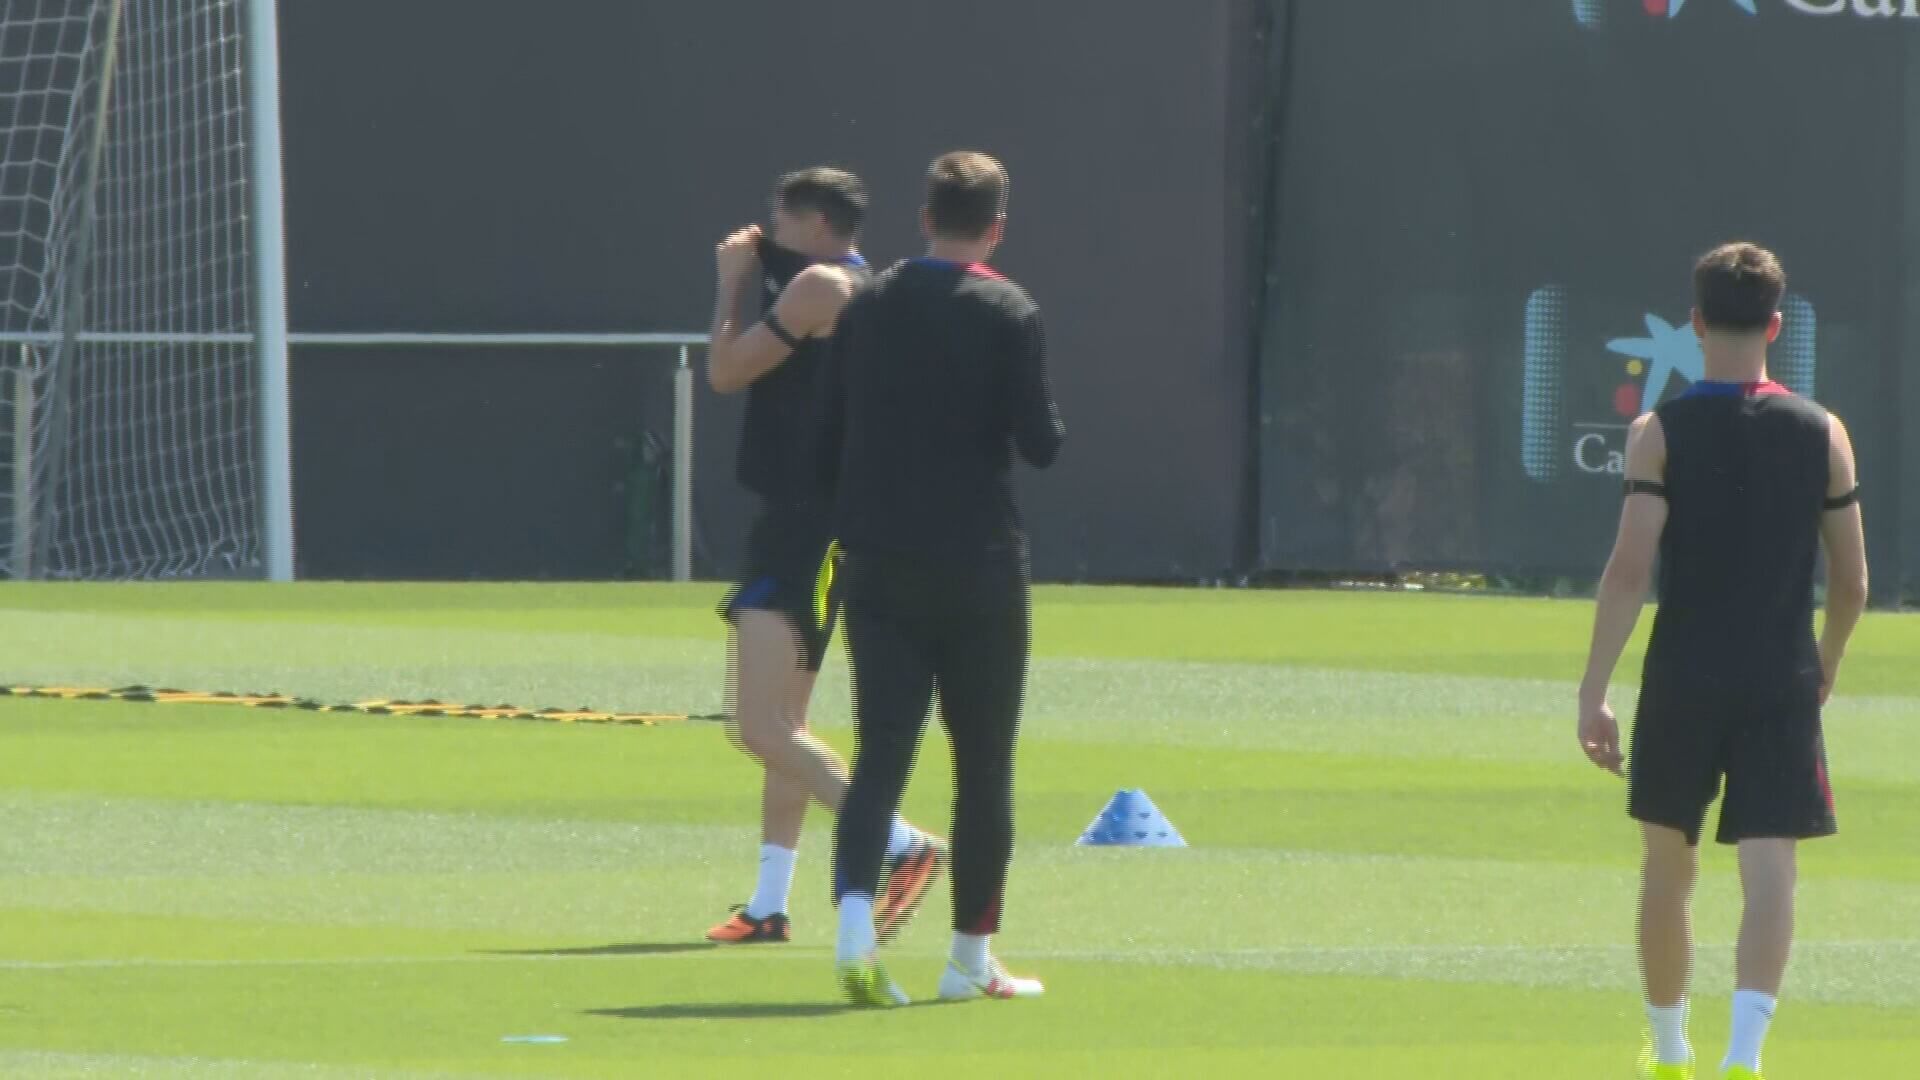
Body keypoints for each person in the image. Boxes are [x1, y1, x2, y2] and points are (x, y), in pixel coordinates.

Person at [1576, 243, 1869, 1080]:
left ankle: (1670, 1051)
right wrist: (1827, 661)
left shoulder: (1657, 431)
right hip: (1779, 673)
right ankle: (1745, 1057)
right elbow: (1851, 581)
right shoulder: (1824, 433)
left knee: (1668, 866)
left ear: (1696, 323)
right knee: (1770, 867)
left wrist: (1594, 690)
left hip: (1683, 674)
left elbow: (1630, 572)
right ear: (1776, 325)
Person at [820, 151, 1063, 1007]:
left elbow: (836, 420)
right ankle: (970, 959)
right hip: (979, 563)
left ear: (925, 215)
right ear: (996, 225)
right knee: (983, 763)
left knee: (881, 749)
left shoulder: (871, 302)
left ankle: (855, 930)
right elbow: (1040, 440)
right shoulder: (1009, 308)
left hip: (878, 557)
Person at [704, 167, 944, 946]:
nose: (767, 226)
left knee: (760, 728)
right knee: (790, 724)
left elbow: (726, 371)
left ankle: (903, 845)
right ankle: (770, 901)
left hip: (801, 525)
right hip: (833, 525)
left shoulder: (814, 286)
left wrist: (731, 285)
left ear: (809, 221)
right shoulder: (871, 289)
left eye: (778, 214)